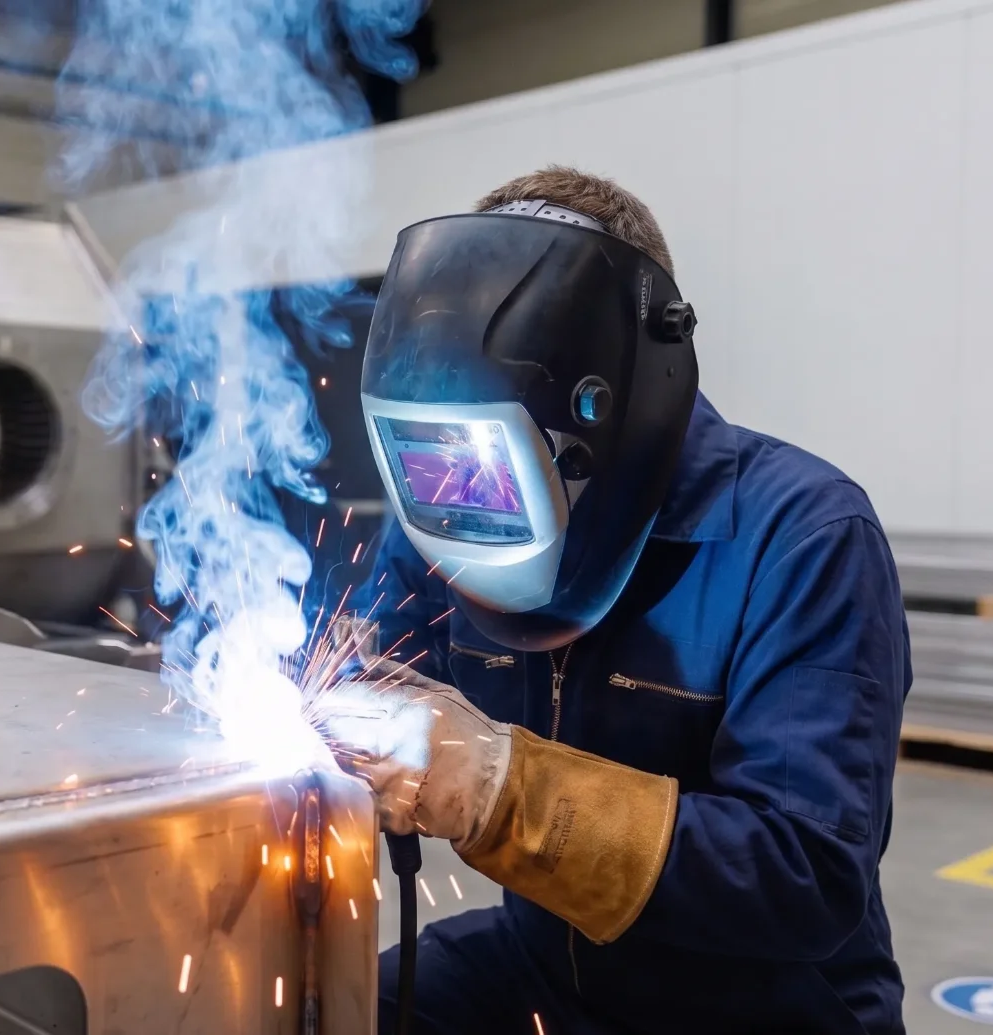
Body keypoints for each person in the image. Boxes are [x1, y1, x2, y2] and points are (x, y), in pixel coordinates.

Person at [328, 167, 910, 1034]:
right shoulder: (445, 501)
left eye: (492, 459)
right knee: (336, 1008)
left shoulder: (804, 534)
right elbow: (369, 669)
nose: (466, 493)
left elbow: (806, 874)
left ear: (620, 387)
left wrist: (502, 791)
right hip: (545, 969)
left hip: (759, 1007)